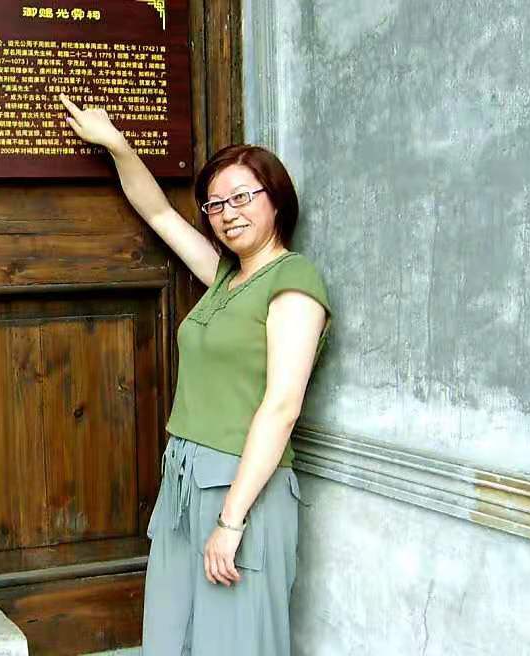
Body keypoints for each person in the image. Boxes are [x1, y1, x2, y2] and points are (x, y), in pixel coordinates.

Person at [61, 94, 332, 656]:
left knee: (236, 641)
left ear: (276, 201)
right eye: (214, 205)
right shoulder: (225, 276)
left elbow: (282, 406)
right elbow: (158, 213)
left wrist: (232, 521)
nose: (228, 213)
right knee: (172, 637)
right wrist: (117, 145)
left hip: (243, 487)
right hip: (185, 478)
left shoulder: (295, 282)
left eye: (241, 197)